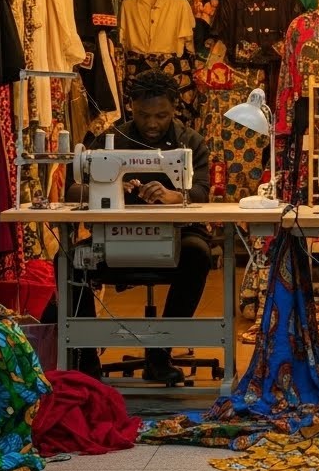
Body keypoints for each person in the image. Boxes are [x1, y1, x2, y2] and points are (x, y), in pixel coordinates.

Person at [63, 69, 212, 385]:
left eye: (162, 115)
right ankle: (85, 359)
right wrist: (110, 190)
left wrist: (174, 196)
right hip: (116, 236)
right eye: (144, 115)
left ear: (175, 107)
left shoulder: (190, 142)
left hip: (178, 234)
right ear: (130, 106)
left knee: (198, 253)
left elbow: (201, 192)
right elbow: (73, 190)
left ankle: (160, 353)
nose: (153, 123)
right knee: (68, 262)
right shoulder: (109, 140)